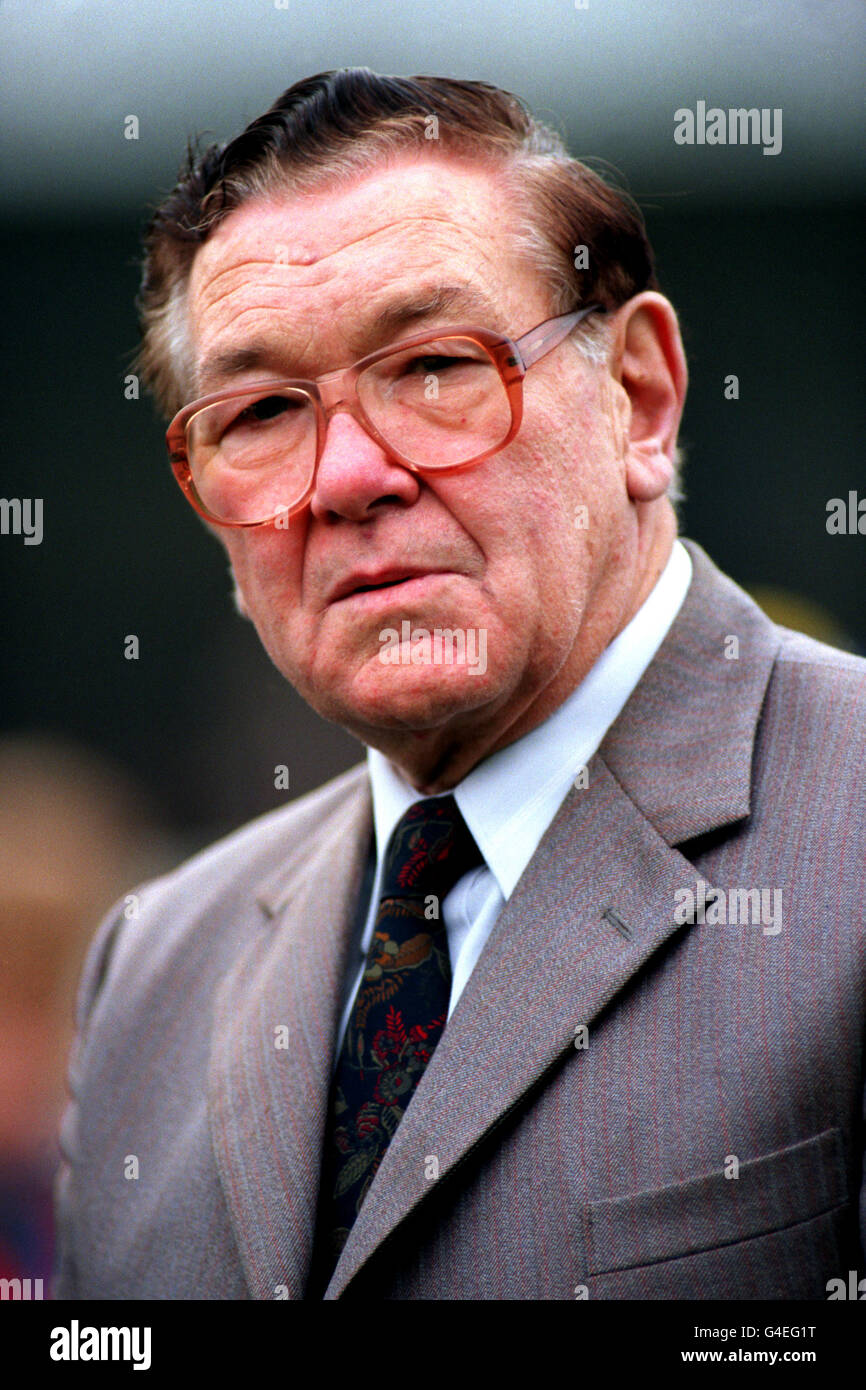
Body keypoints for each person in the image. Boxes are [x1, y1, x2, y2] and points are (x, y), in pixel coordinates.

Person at [54, 68, 865, 1301]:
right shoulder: (152, 966)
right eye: (264, 408)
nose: (344, 476)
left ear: (638, 396)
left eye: (433, 365)